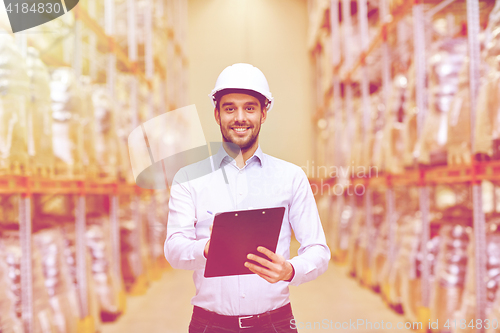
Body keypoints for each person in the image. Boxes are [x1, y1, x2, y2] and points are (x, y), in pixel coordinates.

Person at [164, 63, 330, 332]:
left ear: (264, 113)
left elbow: (318, 250)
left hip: (274, 323)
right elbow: (173, 249)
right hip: (210, 325)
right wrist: (207, 249)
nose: (239, 117)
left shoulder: (291, 176)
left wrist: (290, 270)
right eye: (230, 108)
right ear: (217, 114)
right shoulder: (189, 178)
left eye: (250, 108)